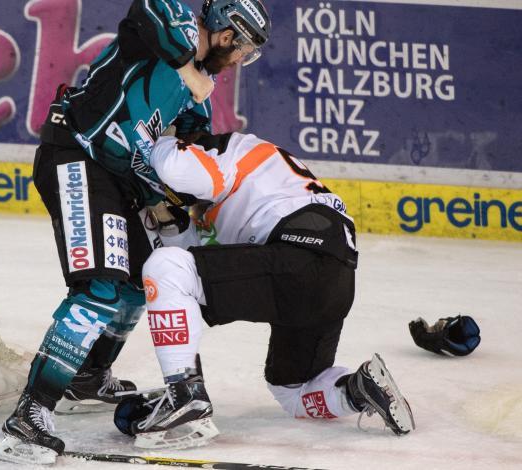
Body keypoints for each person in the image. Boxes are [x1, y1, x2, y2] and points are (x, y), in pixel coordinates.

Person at [0, 0, 271, 465]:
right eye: (244, 49)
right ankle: (31, 413)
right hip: (76, 157)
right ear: (227, 33)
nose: (242, 59)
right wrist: (186, 67)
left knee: (137, 284)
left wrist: (189, 202)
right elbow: (148, 8)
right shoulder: (176, 28)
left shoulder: (202, 81)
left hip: (118, 177)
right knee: (99, 290)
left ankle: (86, 376)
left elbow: (190, 144)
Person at [113, 132, 415, 449]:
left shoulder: (228, 151)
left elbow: (174, 167)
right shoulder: (256, 186)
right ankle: (358, 389)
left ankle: (184, 398)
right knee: (294, 391)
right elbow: (202, 277)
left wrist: (157, 142)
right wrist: (173, 223)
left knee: (165, 267)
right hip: (334, 281)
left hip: (298, 258)